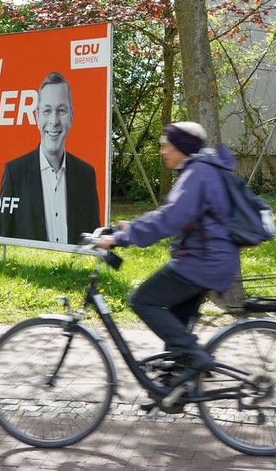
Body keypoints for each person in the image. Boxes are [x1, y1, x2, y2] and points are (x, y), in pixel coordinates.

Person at [94, 122, 240, 383]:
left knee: (142, 300)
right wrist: (134, 225)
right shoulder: (200, 171)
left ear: (181, 148)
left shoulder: (196, 174)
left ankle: (196, 359)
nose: (162, 152)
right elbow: (172, 215)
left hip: (201, 262)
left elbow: (170, 219)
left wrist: (119, 238)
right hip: (210, 259)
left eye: (166, 146)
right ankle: (180, 380)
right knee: (174, 323)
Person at [0, 71, 100, 244]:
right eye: (47, 111)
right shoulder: (14, 172)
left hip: (72, 270)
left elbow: (94, 238)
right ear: (37, 116)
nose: (54, 121)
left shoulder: (86, 174)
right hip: (29, 270)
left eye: (61, 110)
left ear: (71, 116)